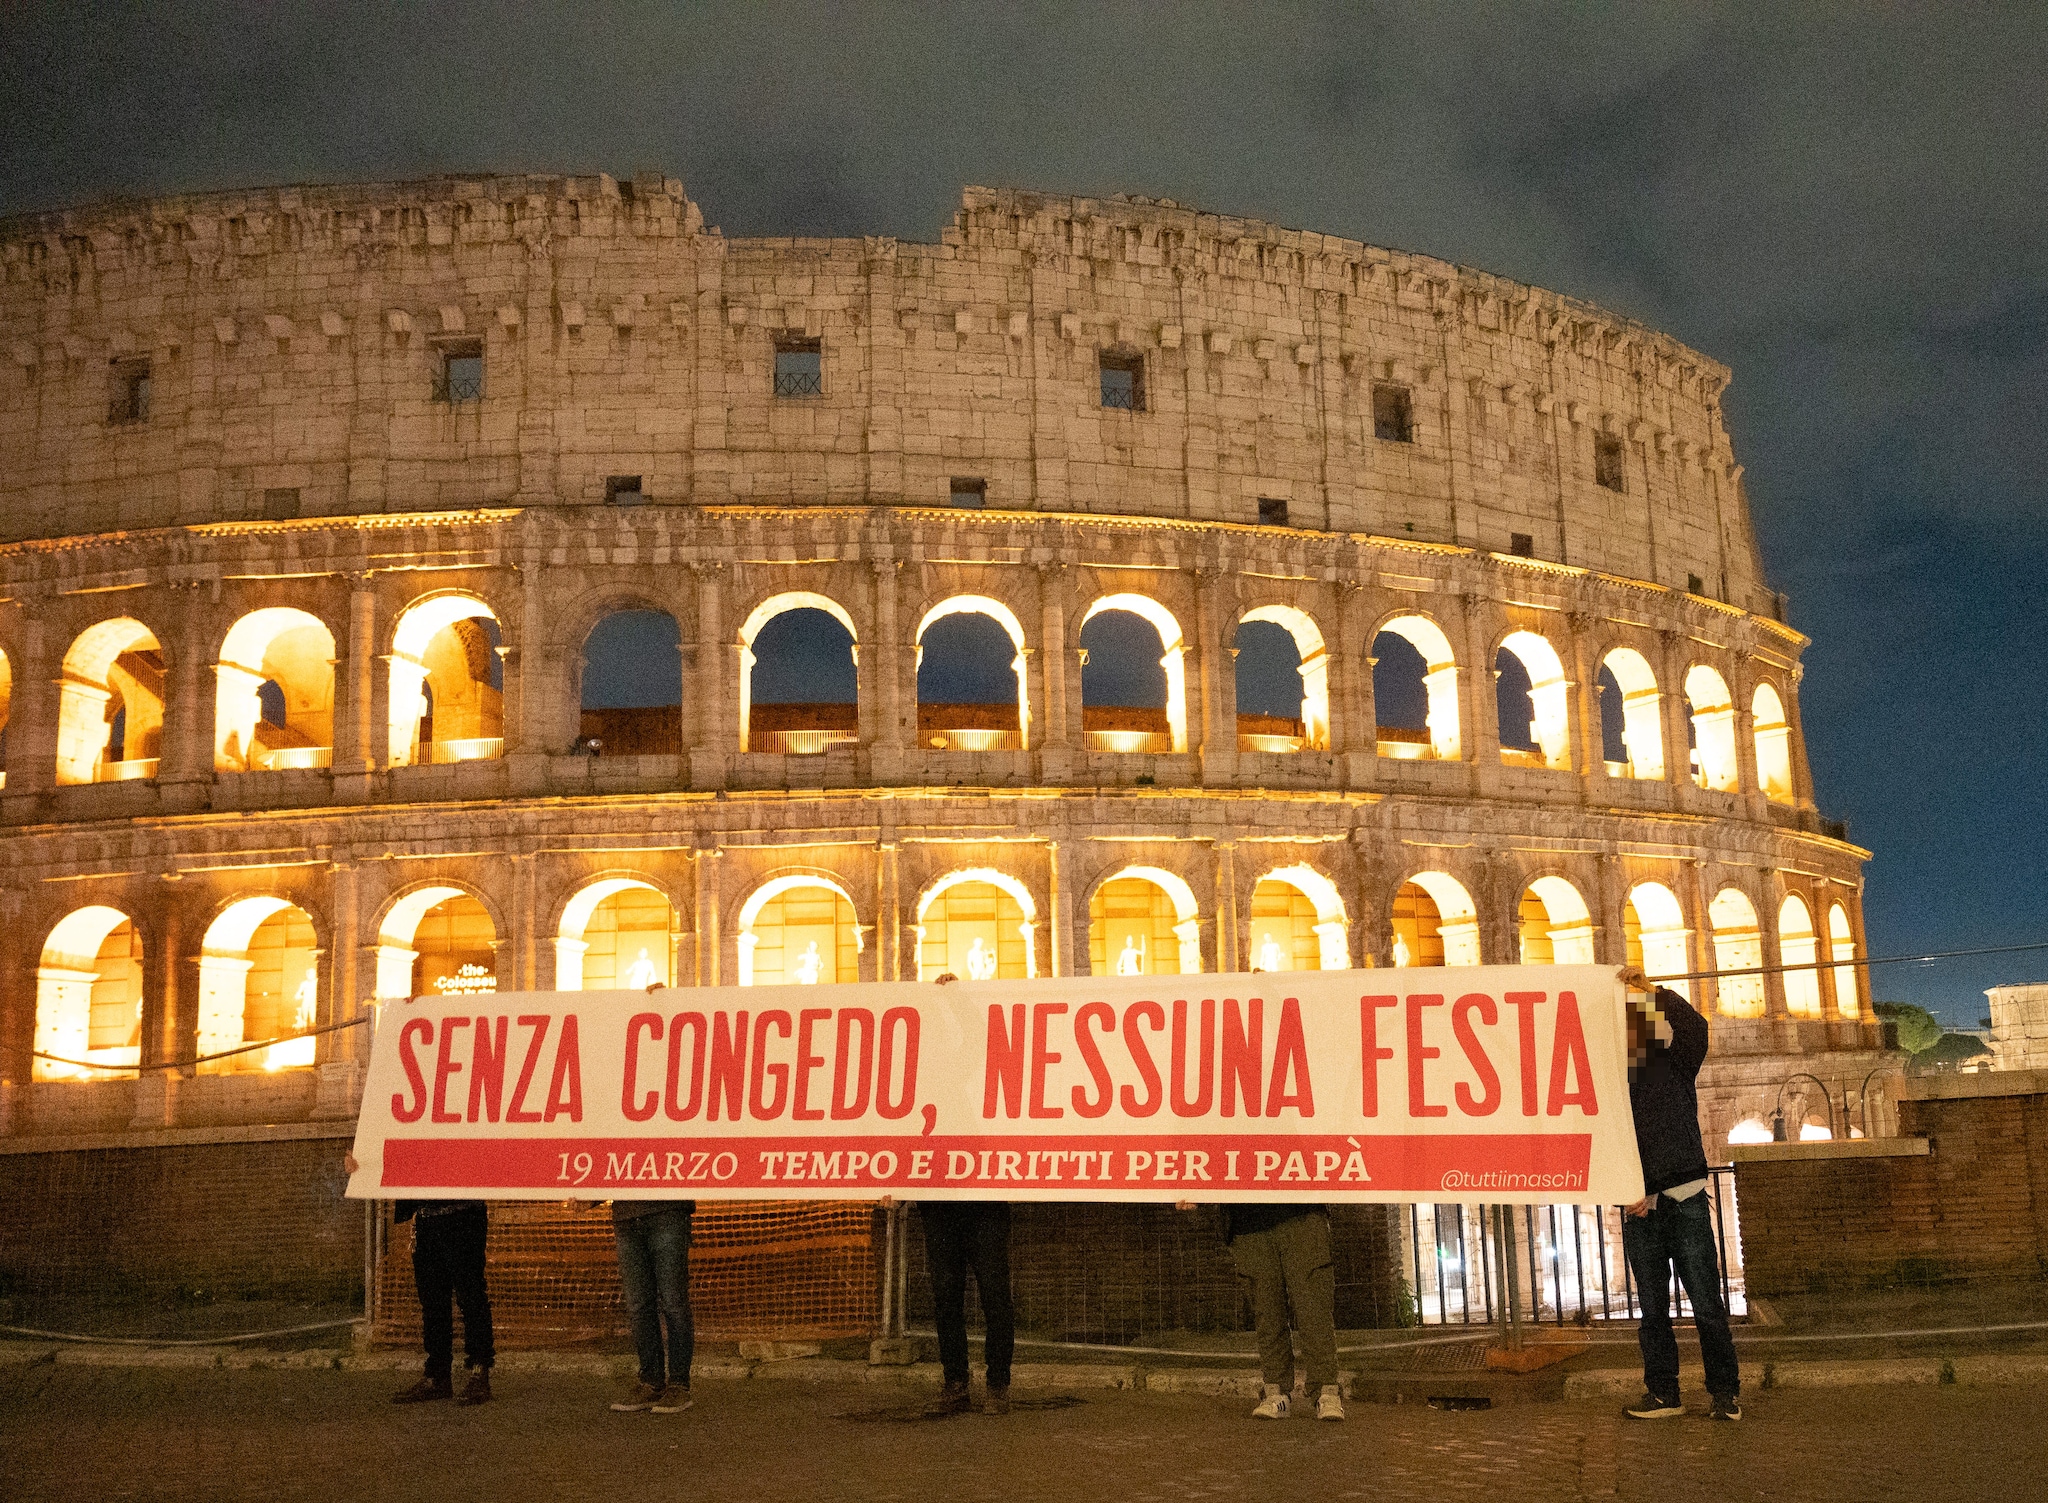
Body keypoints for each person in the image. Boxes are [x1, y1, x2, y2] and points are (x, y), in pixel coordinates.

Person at [1618, 966, 1742, 1422]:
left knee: (1707, 1304)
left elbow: (1695, 1028)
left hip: (1684, 1197)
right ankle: (1663, 1393)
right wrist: (1622, 1189)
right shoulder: (1612, 1086)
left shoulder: (1675, 1064)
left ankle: (1724, 1394)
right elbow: (1607, 1145)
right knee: (1652, 1311)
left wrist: (1655, 993)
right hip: (1640, 1206)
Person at [919, 972, 1016, 1416]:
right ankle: (955, 1381)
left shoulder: (954, 1072)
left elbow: (979, 1039)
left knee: (995, 1293)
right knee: (945, 1294)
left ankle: (997, 1382)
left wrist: (956, 999)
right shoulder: (911, 1081)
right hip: (937, 1197)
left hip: (982, 1192)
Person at [344, 1148, 496, 1405]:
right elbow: (391, 1148)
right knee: (433, 1301)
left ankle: (479, 1373)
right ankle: (437, 1375)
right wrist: (362, 1163)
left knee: (470, 1296)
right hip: (426, 1220)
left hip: (464, 1216)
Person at [1221, 1203, 1343, 1421]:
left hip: (1302, 1213)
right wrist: (1194, 1193)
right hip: (1249, 1221)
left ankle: (1326, 1391)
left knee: (1314, 1310)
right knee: (1267, 1312)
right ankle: (1275, 1392)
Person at [608, 1199, 696, 1414]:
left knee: (673, 1303)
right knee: (638, 1306)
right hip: (626, 1218)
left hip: (667, 1213)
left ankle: (678, 1385)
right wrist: (586, 1196)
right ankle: (651, 1383)